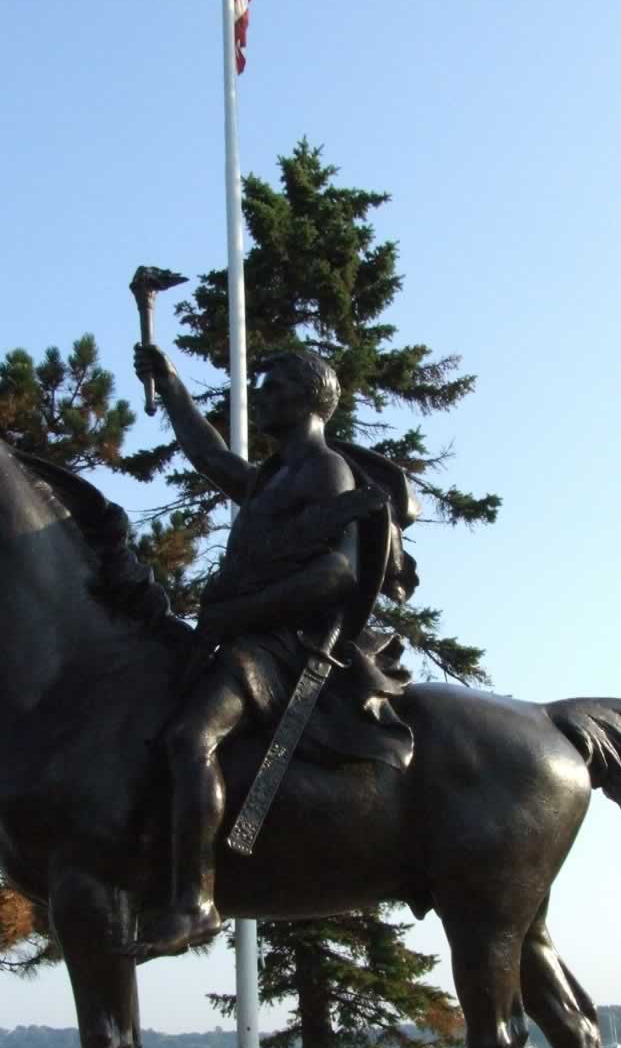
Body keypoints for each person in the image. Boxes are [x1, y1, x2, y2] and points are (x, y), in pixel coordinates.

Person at [131, 341, 417, 958]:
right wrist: (171, 384)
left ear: (308, 397)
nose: (258, 398)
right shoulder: (273, 476)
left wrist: (242, 609)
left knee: (190, 738)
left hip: (285, 646)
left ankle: (195, 902)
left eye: (271, 387)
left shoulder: (325, 471)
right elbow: (210, 456)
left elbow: (338, 573)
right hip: (250, 636)